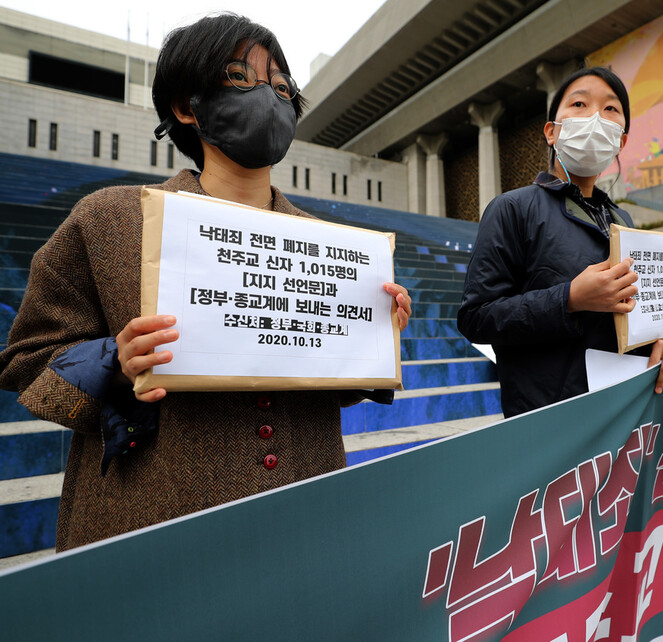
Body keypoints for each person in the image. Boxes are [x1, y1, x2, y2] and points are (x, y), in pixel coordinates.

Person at [0, 14, 411, 551]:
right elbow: (26, 360)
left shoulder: (334, 247)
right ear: (185, 106)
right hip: (151, 520)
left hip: (306, 509)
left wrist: (374, 336)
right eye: (241, 78)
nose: (268, 97)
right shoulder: (107, 219)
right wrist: (115, 362)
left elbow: (332, 380)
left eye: (281, 87)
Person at [457, 66, 663, 418]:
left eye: (610, 109)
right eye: (580, 104)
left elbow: (646, 314)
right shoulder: (513, 209)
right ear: (552, 131)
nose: (596, 117)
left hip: (623, 410)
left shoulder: (624, 222)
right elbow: (477, 317)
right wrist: (569, 299)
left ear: (621, 140)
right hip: (548, 419)